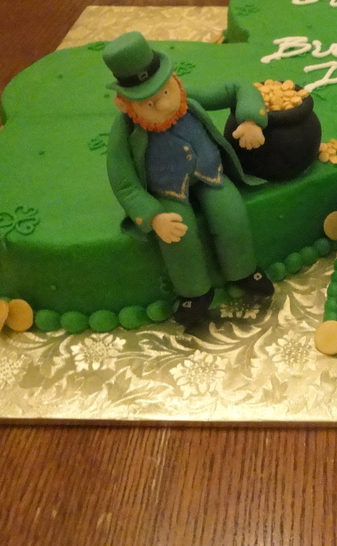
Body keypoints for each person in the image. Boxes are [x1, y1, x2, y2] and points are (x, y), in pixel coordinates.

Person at [103, 31, 274, 326]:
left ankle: (244, 272)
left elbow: (237, 87)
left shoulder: (188, 98)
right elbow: (123, 180)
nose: (163, 105)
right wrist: (152, 215)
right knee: (178, 234)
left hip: (211, 175)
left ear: (174, 79)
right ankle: (194, 294)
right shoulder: (125, 132)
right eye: (149, 104)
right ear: (124, 104)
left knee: (230, 213)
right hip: (167, 192)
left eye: (165, 92)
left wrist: (250, 118)